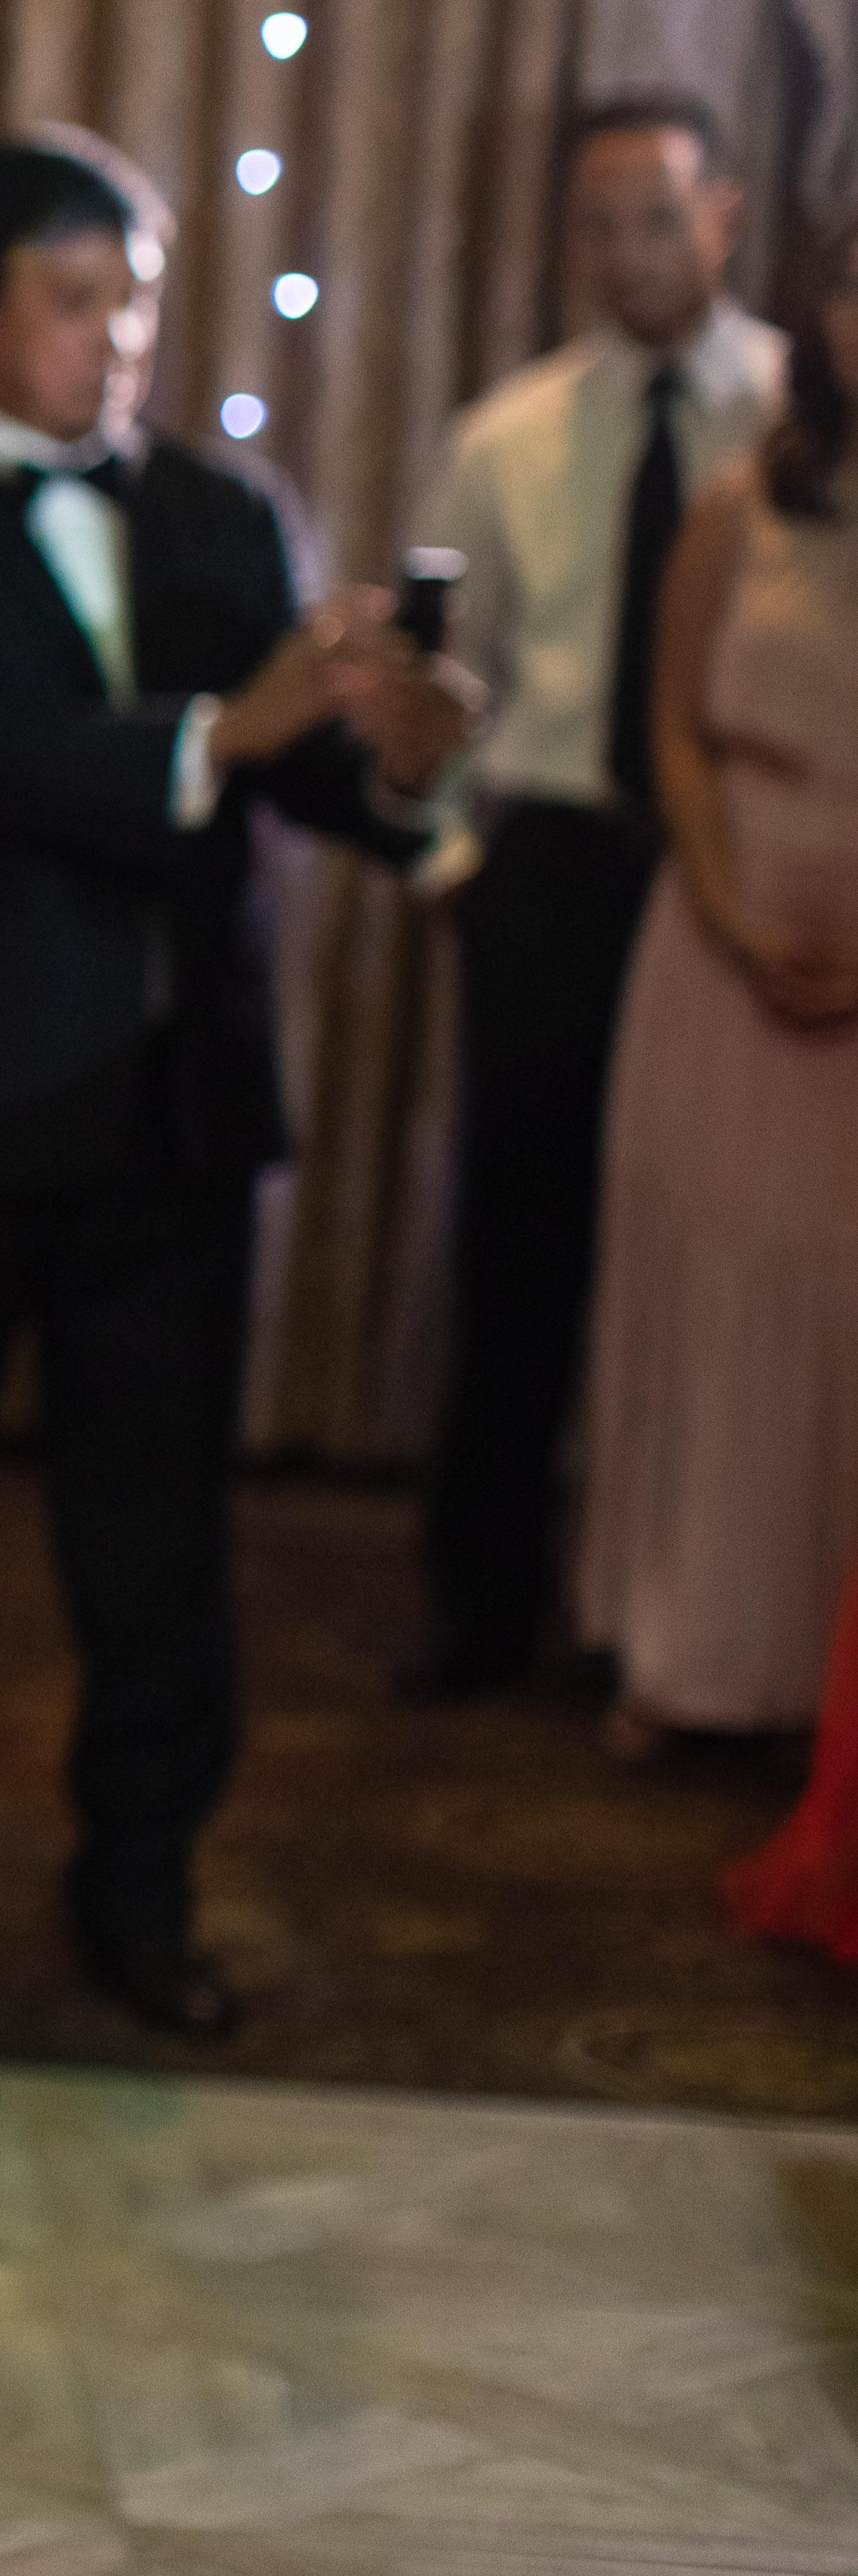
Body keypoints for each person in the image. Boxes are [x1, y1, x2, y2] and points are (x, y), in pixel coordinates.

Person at [0, 134, 468, 2043]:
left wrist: (397, 759)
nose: (117, 337)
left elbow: (306, 796)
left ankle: (142, 1892)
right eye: (76, 298)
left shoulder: (229, 517)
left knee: (158, 1551)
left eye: (134, 297)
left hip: (174, 1113)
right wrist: (234, 727)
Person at [407, 95, 787, 1700]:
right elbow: (442, 678)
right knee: (524, 1237)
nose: (628, 251)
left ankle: (709, 1607)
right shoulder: (510, 435)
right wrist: (450, 862)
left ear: (726, 219)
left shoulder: (800, 414)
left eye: (658, 214)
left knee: (731, 1243)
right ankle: (482, 1598)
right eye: (598, 221)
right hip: (557, 857)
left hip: (750, 866)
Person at [585, 216, 858, 1749]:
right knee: (712, 1293)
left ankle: (837, 1690)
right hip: (724, 925)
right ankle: (685, 1647)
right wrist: (733, 905)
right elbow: (672, 727)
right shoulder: (745, 503)